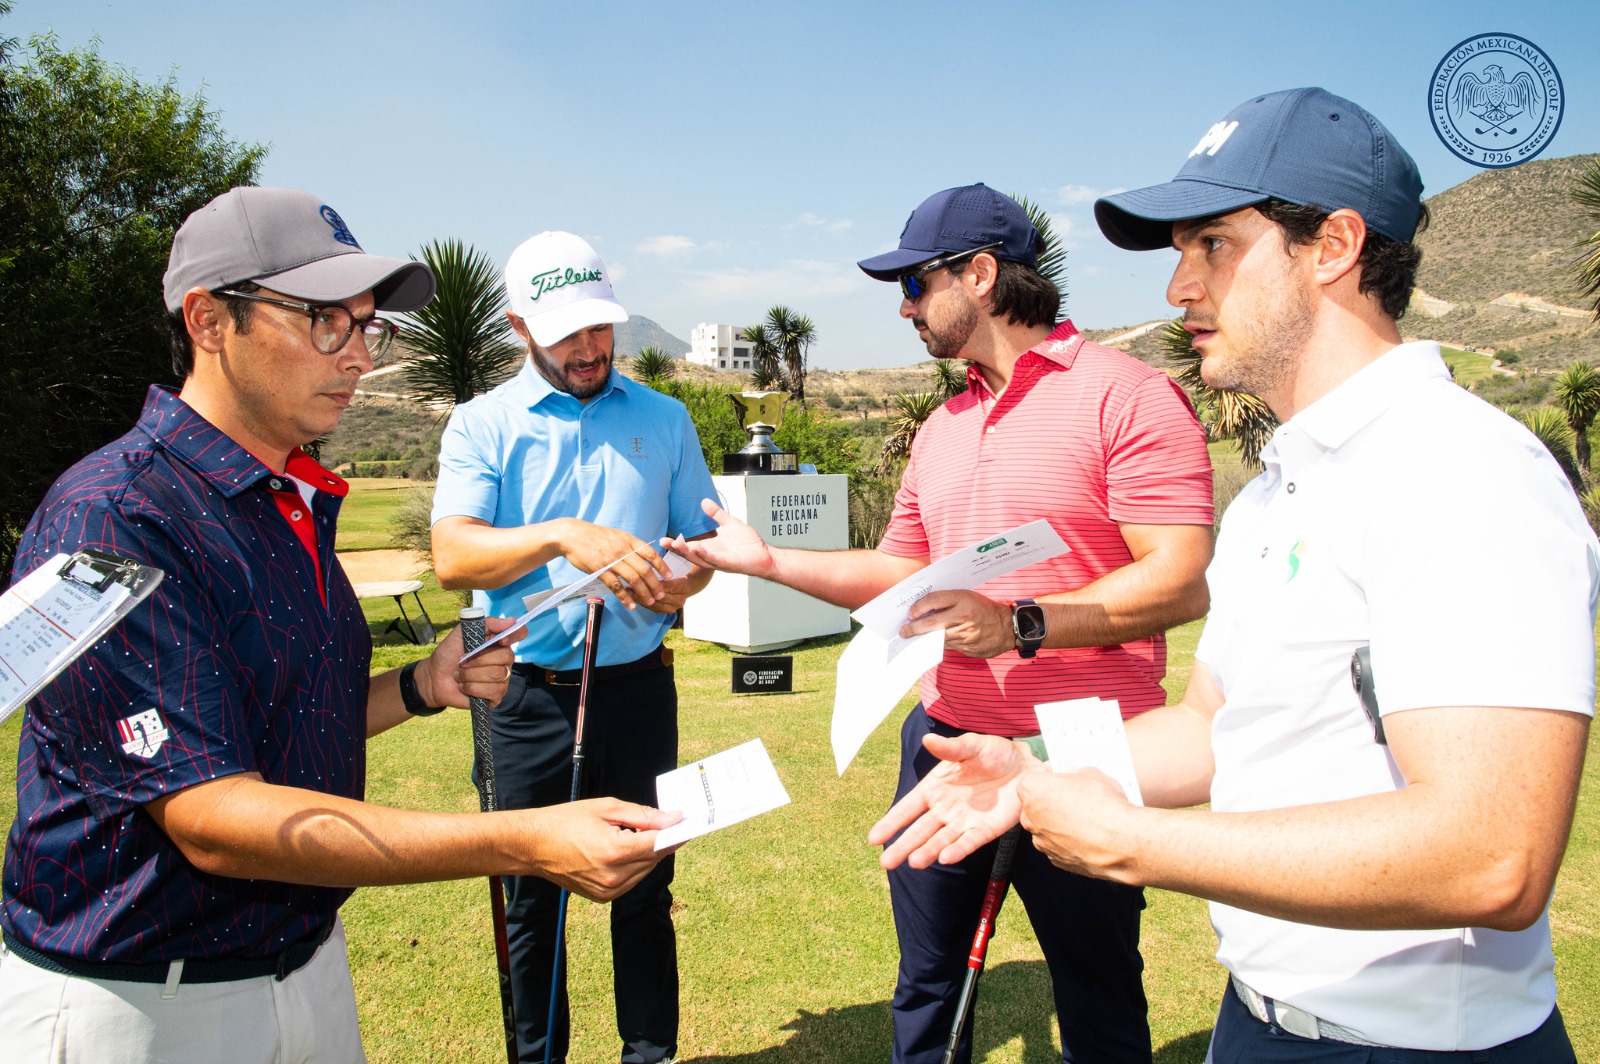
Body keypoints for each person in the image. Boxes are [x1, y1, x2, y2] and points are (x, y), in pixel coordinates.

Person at [872, 89, 1596, 1062]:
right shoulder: (1274, 494)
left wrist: (1137, 840)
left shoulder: (1461, 471)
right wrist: (1037, 771)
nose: (1179, 287)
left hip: (1412, 1043)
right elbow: (1210, 726)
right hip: (1258, 1015)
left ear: (1333, 246)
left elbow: (1492, 854)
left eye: (1212, 245)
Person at [0, 187, 676, 1064]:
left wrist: (419, 686)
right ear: (209, 321)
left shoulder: (286, 501)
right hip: (139, 1000)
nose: (358, 355)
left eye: (366, 326)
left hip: (304, 967)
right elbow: (209, 815)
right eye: (324, 321)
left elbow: (273, 718)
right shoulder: (113, 518)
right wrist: (526, 839)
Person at [669, 183, 1215, 1064]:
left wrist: (1018, 623)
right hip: (944, 741)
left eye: (916, 284)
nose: (905, 306)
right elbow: (899, 573)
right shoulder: (943, 425)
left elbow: (1182, 579)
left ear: (982, 275)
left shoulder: (1129, 397)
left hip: (1084, 747)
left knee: (1098, 992)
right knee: (928, 987)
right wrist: (768, 562)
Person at [430, 229, 718, 1064]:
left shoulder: (664, 418)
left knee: (646, 880)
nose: (589, 349)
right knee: (529, 898)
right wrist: (562, 534)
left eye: (599, 327)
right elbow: (453, 557)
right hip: (521, 696)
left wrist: (684, 581)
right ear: (520, 327)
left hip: (637, 688)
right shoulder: (482, 424)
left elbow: (700, 547)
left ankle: (648, 1054)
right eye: (566, 333)